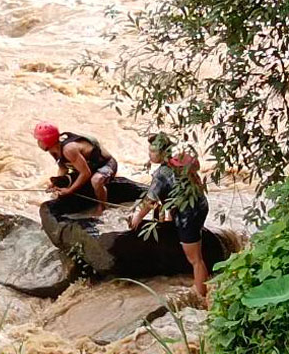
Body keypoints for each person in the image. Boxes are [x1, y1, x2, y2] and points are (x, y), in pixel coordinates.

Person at [129, 132, 212, 300]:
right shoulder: (181, 161)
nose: (149, 154)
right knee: (189, 240)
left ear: (161, 153)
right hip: (200, 205)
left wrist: (137, 218)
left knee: (196, 259)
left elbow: (150, 200)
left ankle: (201, 293)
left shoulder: (162, 174)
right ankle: (198, 282)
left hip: (188, 214)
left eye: (152, 152)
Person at [35, 122, 119, 211]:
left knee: (96, 180)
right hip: (90, 166)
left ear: (48, 141)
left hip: (106, 164)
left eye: (39, 140)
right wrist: (57, 183)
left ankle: (102, 207)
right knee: (63, 186)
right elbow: (62, 168)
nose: (38, 142)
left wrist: (70, 190)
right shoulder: (54, 149)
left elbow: (86, 173)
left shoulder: (69, 150)